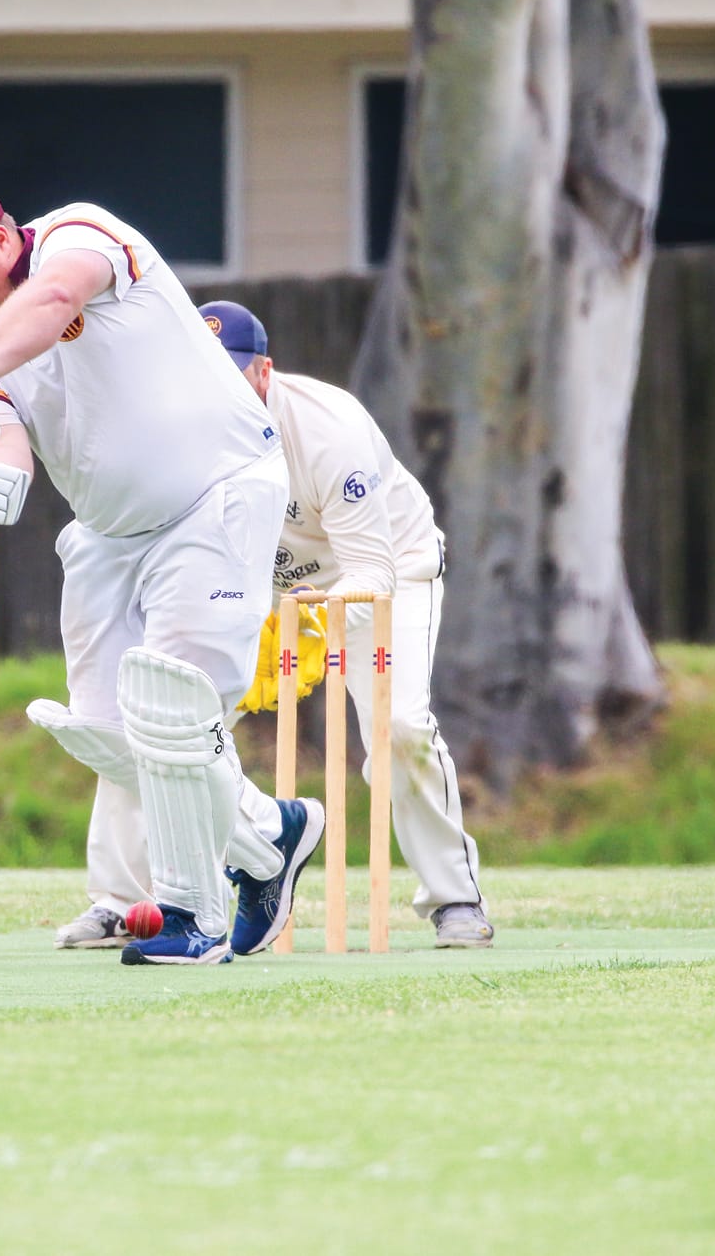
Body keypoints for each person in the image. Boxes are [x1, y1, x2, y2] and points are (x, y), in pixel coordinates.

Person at [0, 180, 321, 965]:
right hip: (107, 533)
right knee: (111, 735)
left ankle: (193, 917)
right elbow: (7, 440)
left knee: (173, 705)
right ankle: (269, 839)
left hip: (215, 496)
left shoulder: (77, 236)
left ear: (4, 240)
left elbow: (54, 299)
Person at [196, 300, 493, 948]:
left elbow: (372, 570)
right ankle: (208, 887)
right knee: (185, 722)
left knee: (400, 729)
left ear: (263, 370)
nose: (219, 390)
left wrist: (314, 619)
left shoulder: (329, 429)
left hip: (386, 573)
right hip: (273, 592)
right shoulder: (183, 432)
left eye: (233, 373)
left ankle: (454, 896)